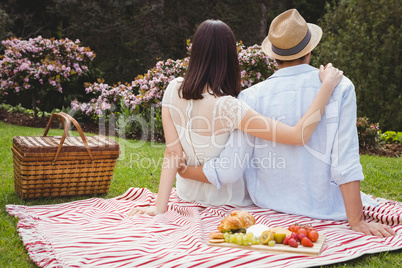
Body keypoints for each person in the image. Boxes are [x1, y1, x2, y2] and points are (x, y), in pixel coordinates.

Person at [178, 10, 395, 238]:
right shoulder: (339, 87)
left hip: (269, 208)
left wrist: (183, 170)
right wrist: (356, 220)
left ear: (274, 55)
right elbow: (345, 159)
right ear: (309, 50)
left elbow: (230, 167)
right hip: (326, 207)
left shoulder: (250, 97)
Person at [129, 19, 343, 216]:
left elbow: (172, 152)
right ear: (230, 58)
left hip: (187, 195)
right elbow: (299, 135)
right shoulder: (229, 107)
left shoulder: (173, 89)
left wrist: (160, 206)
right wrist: (327, 87)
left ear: (196, 53)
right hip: (228, 200)